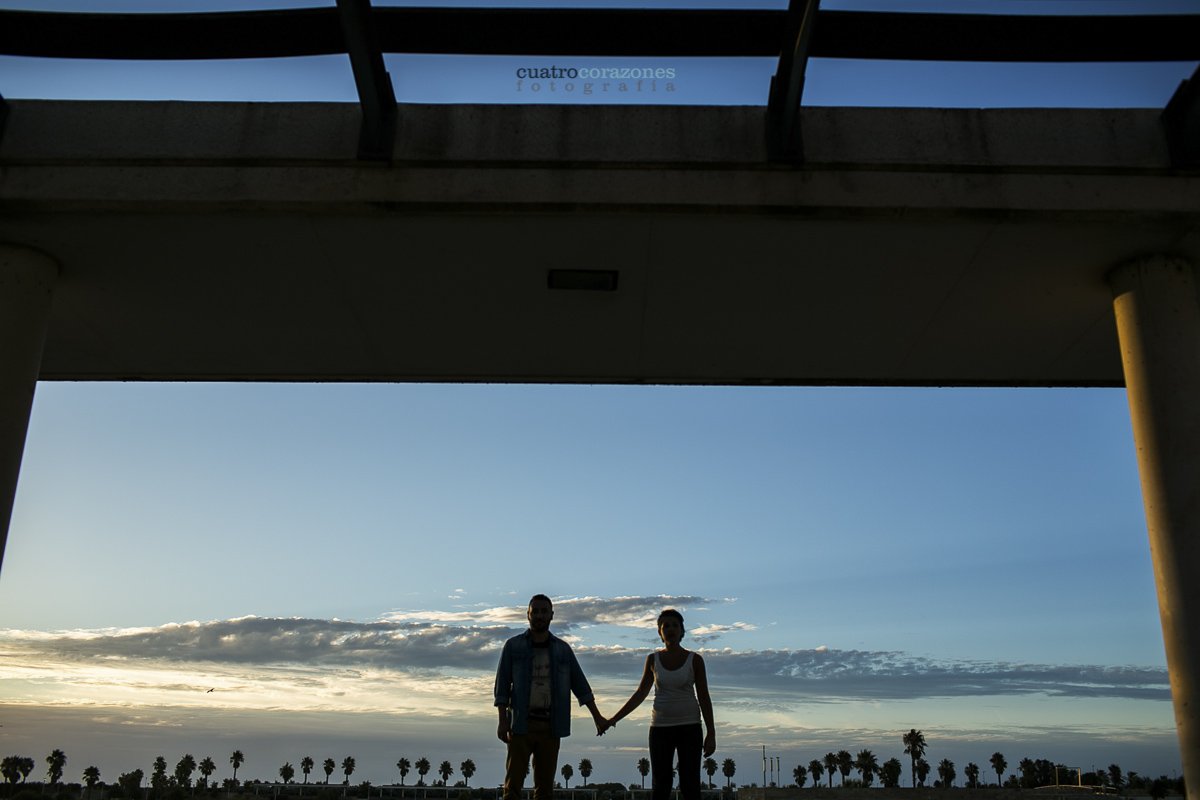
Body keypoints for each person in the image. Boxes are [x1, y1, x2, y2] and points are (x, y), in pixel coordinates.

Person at [494, 594, 607, 800]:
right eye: (535, 611)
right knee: (512, 788)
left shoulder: (562, 650)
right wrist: (503, 721)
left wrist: (597, 717)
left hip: (550, 727)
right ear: (527, 615)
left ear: (551, 615)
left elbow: (580, 686)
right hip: (520, 725)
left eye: (543, 611)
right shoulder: (513, 646)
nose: (539, 615)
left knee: (545, 791)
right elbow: (501, 687)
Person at [603, 608, 716, 800]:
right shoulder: (652, 660)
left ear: (682, 631)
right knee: (661, 785)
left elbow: (704, 697)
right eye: (666, 626)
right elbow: (640, 693)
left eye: (675, 625)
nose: (671, 629)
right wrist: (614, 719)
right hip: (660, 730)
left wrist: (711, 733)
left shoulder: (695, 660)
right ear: (659, 632)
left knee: (690, 784)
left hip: (690, 728)